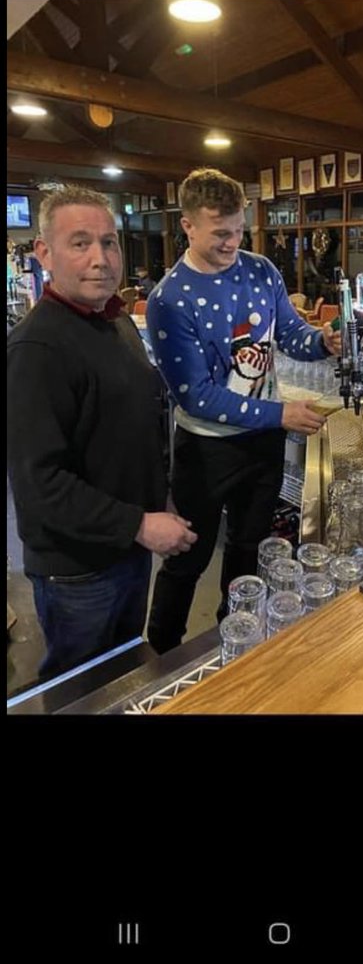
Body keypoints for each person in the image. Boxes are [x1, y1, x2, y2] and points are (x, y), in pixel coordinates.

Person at [146, 167, 342, 654]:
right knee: (188, 559)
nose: (233, 242)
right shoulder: (169, 299)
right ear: (188, 225)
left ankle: (234, 641)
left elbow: (290, 334)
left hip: (261, 444)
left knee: (248, 548)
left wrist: (323, 341)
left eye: (238, 230)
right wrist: (279, 415)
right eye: (220, 233)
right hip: (206, 451)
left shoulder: (262, 270)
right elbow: (197, 396)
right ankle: (162, 655)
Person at [6, 185, 197, 681]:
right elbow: (41, 485)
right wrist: (139, 524)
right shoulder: (36, 349)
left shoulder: (117, 324)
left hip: (128, 549)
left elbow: (136, 427)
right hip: (78, 570)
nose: (101, 258)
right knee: (80, 689)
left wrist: (159, 499)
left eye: (109, 242)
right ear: (44, 253)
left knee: (122, 672)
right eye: (80, 243)